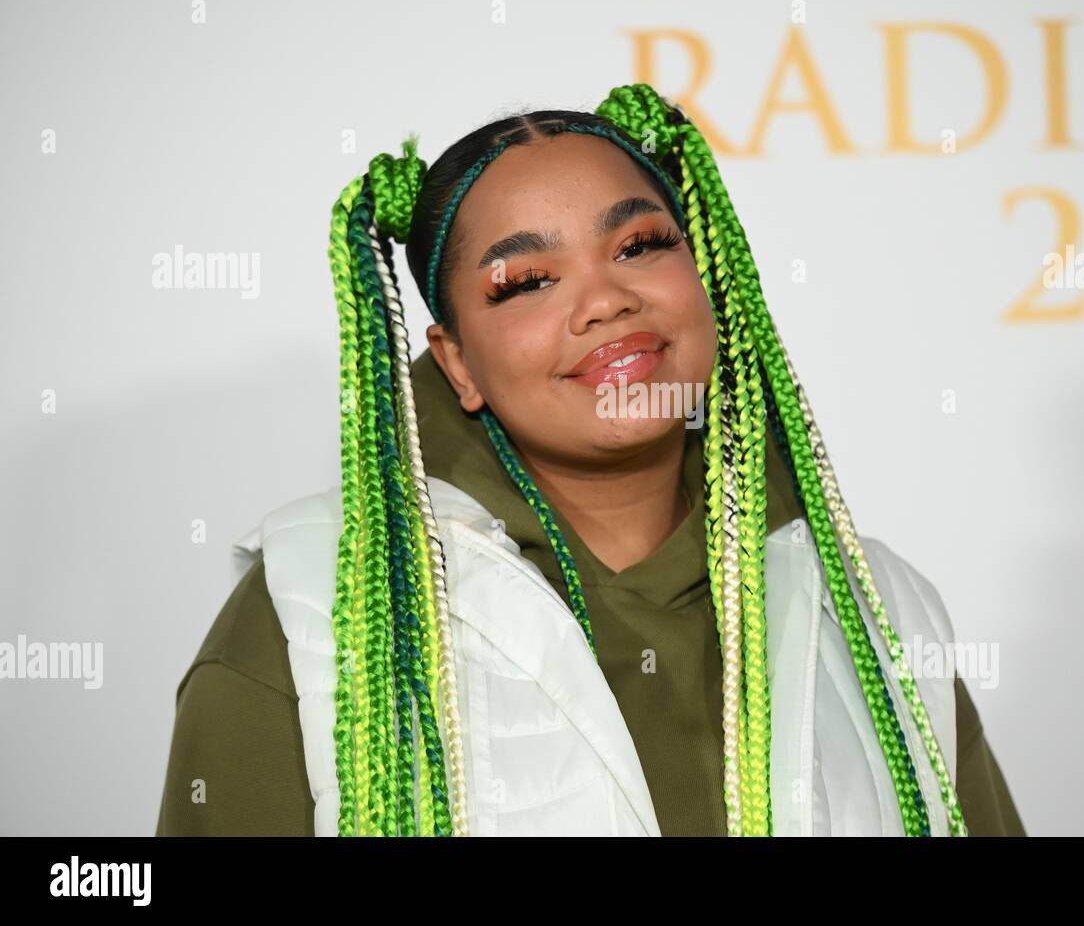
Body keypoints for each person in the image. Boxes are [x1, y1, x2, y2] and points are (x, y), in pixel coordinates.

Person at [156, 83, 1026, 837]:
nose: (606, 300)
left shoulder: (881, 608)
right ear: (456, 363)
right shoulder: (315, 609)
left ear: (708, 278)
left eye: (639, 246)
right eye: (527, 281)